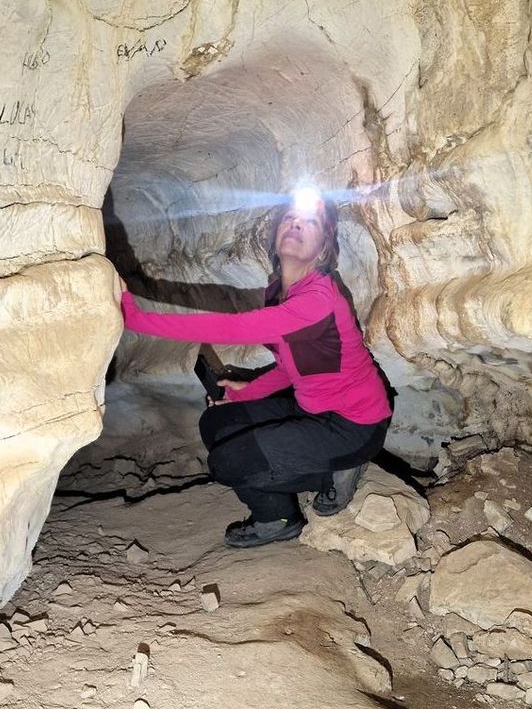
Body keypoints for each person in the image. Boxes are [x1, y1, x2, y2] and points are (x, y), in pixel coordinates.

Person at [120, 187, 392, 548]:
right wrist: (246, 393)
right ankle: (284, 507)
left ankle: (305, 496)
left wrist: (136, 319)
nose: (296, 225)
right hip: (312, 408)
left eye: (309, 222)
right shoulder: (278, 292)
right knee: (217, 421)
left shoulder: (318, 299)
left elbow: (233, 328)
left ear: (323, 248)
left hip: (353, 425)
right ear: (276, 236)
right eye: (289, 219)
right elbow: (291, 368)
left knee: (228, 462)